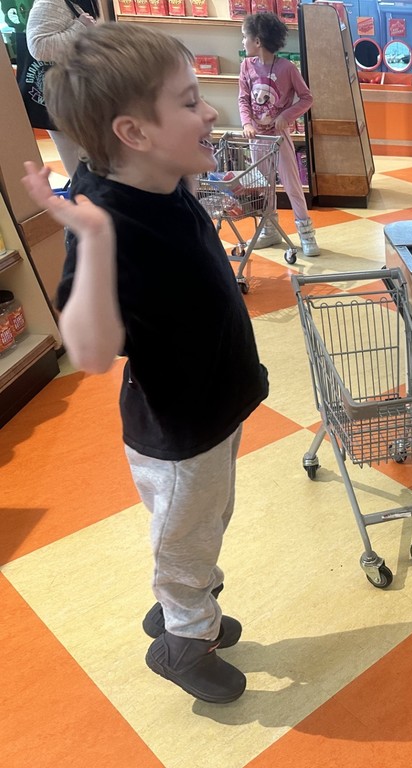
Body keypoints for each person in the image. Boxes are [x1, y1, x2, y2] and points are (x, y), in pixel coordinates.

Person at [21, 23, 269, 703]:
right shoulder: (106, 223)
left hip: (214, 406)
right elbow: (93, 352)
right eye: (189, 102)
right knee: (185, 541)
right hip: (178, 433)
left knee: (203, 526)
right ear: (133, 133)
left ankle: (183, 601)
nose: (209, 110)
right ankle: (186, 641)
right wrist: (92, 241)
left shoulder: (157, 175)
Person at [239, 12, 320, 257]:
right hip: (257, 141)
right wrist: (246, 124)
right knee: (264, 187)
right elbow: (243, 98)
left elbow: (307, 97)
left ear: (258, 41)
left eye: (245, 37)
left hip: (278, 139)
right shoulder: (246, 66)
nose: (242, 42)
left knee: (292, 185)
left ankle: (306, 235)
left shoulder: (287, 68)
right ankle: (270, 231)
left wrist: (286, 116)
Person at [25, 0, 97, 179]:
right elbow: (39, 46)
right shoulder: (51, 2)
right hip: (67, 101)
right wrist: (80, 26)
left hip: (85, 99)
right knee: (82, 174)